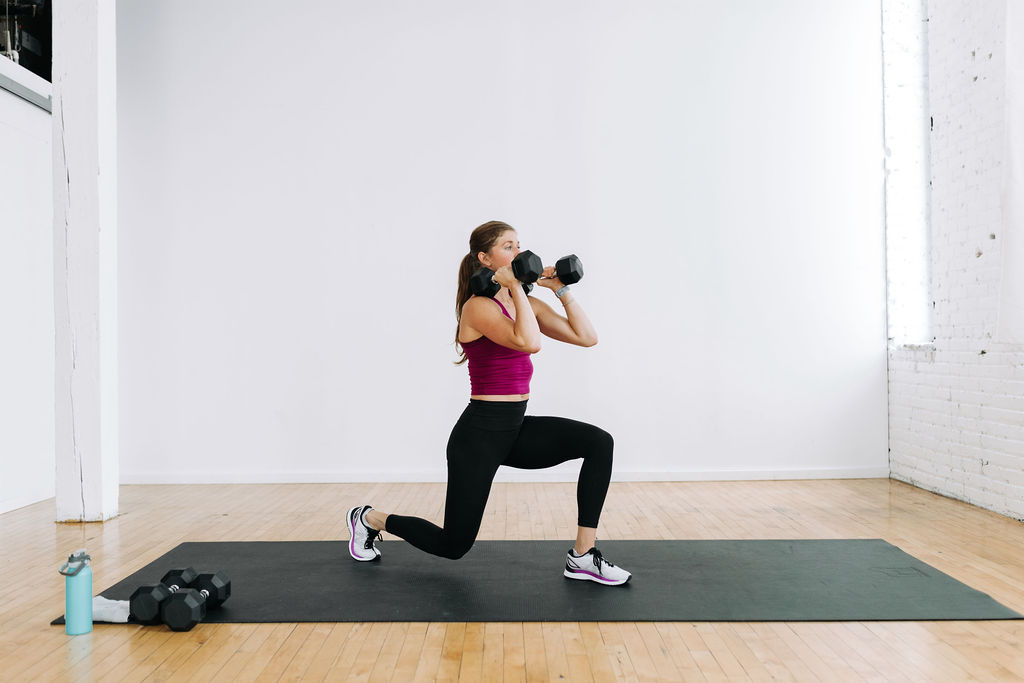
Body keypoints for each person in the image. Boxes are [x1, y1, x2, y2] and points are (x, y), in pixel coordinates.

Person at [347, 220, 630, 585]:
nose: (518, 252)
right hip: (479, 435)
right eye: (508, 246)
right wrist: (514, 289)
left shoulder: (523, 303)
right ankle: (367, 519)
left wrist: (559, 290)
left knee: (598, 443)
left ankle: (583, 557)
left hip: (515, 428)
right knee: (453, 544)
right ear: (485, 258)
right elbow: (529, 342)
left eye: (518, 245)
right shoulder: (477, 308)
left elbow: (586, 337)